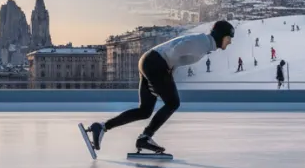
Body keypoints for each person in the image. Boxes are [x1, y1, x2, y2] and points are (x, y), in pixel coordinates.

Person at [86, 20, 234, 155]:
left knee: (144, 111)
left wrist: (169, 70)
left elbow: (177, 54)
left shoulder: (204, 43)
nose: (230, 42)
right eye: (229, 37)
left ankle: (102, 127)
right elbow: (177, 50)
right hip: (156, 63)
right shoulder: (202, 43)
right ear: (221, 36)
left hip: (150, 61)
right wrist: (167, 69)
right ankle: (145, 137)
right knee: (173, 103)